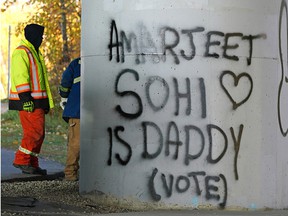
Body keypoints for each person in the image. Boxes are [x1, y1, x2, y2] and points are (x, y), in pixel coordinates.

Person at [9, 23, 54, 175]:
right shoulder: (21, 52)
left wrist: (45, 102)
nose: (41, 39)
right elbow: (20, 76)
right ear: (33, 35)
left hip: (37, 101)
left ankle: (31, 164)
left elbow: (41, 82)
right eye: (40, 36)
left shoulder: (34, 52)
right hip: (28, 102)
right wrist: (25, 98)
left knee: (39, 134)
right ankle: (21, 160)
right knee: (34, 133)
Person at [59, 57, 81, 181]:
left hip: (77, 110)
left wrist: (64, 97)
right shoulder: (105, 61)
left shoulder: (77, 63)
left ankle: (70, 175)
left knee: (75, 144)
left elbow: (65, 83)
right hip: (98, 111)